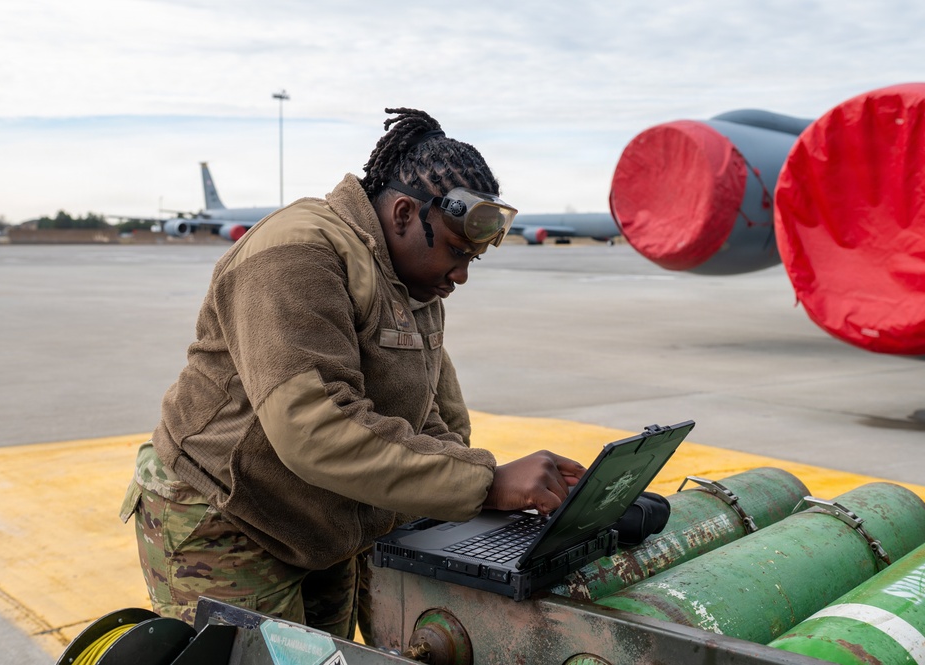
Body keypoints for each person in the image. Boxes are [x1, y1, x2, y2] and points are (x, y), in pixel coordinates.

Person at [119, 107, 586, 640]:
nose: (460, 274)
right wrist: (487, 484)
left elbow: (430, 417)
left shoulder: (413, 282)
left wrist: (500, 496)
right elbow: (313, 429)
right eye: (457, 252)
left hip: (325, 521)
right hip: (228, 514)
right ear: (404, 213)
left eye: (472, 259)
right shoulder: (296, 254)